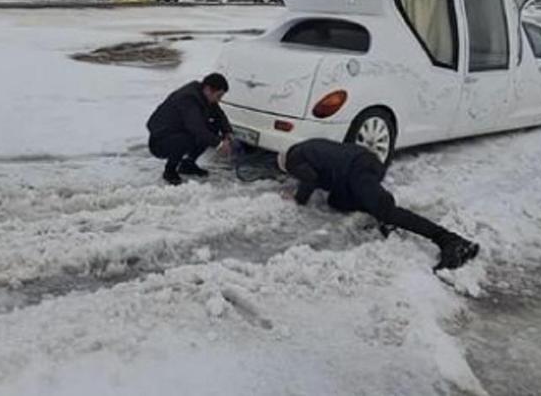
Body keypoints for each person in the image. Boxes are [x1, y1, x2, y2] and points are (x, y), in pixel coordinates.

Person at [278, 139, 479, 271]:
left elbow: (310, 178)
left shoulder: (294, 159)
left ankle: (452, 241)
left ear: (286, 163)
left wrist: (298, 199)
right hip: (363, 163)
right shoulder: (308, 147)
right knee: (336, 201)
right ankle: (380, 211)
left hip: (357, 169)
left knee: (387, 211)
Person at [147, 73, 234, 185]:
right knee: (187, 138)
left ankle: (187, 165)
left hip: (178, 132)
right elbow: (196, 128)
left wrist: (227, 131)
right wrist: (219, 144)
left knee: (213, 128)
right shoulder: (188, 98)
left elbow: (219, 115)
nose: (219, 100)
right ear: (208, 89)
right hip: (160, 141)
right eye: (218, 96)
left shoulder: (203, 94)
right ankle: (169, 171)